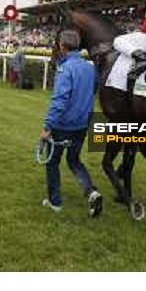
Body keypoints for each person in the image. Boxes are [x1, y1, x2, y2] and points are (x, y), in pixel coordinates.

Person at [40, 29, 103, 217]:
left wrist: (47, 127)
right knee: (74, 160)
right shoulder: (90, 68)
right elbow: (93, 90)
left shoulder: (65, 68)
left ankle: (55, 202)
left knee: (52, 162)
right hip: (82, 124)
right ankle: (92, 192)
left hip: (63, 125)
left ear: (61, 46)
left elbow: (60, 100)